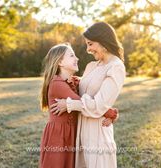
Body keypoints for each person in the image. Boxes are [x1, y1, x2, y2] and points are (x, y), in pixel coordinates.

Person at [50, 22, 126, 168]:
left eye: (90, 44)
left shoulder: (116, 67)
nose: (88, 49)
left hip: (97, 133)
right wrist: (111, 113)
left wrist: (69, 105)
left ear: (103, 40)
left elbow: (98, 106)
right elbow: (80, 88)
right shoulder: (92, 66)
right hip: (81, 132)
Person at [39, 43, 118, 168]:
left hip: (72, 133)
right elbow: (84, 103)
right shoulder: (57, 84)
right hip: (59, 136)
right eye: (72, 56)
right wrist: (111, 113)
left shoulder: (74, 81)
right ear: (60, 62)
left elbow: (92, 89)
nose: (77, 58)